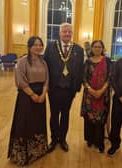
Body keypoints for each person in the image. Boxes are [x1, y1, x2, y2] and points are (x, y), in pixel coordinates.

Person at [8, 36, 49, 166]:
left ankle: (38, 151)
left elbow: (47, 79)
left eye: (40, 45)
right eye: (35, 45)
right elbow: (20, 80)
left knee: (38, 123)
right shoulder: (22, 61)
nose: (38, 47)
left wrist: (43, 94)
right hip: (26, 97)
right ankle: (23, 155)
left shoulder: (43, 62)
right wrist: (32, 95)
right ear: (30, 46)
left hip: (41, 96)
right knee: (25, 124)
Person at [44, 22, 84, 152]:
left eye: (69, 32)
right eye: (64, 32)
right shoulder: (50, 47)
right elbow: (45, 66)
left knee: (65, 115)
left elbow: (80, 69)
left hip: (69, 90)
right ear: (59, 33)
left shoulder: (78, 49)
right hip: (54, 88)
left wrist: (76, 87)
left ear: (72, 34)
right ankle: (54, 139)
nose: (67, 34)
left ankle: (63, 139)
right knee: (54, 114)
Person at [81, 40, 112, 153]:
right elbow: (83, 78)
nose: (97, 48)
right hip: (89, 95)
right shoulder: (88, 62)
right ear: (92, 48)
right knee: (89, 118)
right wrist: (90, 90)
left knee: (100, 119)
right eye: (95, 46)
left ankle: (99, 142)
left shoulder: (107, 61)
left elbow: (110, 77)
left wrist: (101, 91)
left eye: (99, 47)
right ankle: (90, 139)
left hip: (103, 95)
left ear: (102, 48)